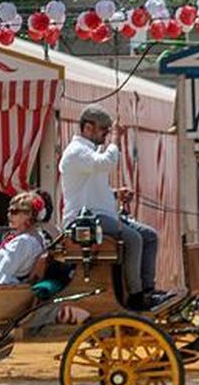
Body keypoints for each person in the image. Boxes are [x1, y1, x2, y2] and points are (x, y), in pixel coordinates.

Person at [59, 104, 163, 309]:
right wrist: (116, 139)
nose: (106, 135)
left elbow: (89, 187)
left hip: (99, 216)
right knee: (133, 238)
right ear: (88, 128)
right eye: (103, 130)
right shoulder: (76, 152)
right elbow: (106, 163)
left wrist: (115, 193)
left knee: (150, 236)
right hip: (84, 221)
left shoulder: (88, 152)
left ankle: (148, 289)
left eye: (108, 131)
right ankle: (136, 295)